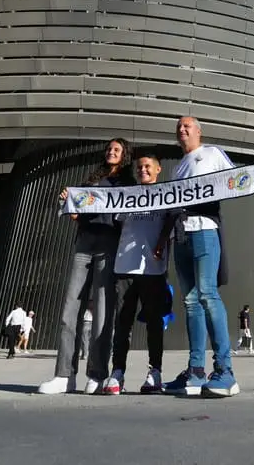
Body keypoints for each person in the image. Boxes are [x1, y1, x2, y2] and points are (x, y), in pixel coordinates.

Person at [163, 116, 254, 399]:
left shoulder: (211, 153)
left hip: (205, 231)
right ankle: (196, 371)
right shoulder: (176, 169)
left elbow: (237, 178)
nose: (181, 129)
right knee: (189, 301)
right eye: (178, 127)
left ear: (198, 131)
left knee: (207, 294)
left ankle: (225, 371)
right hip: (181, 236)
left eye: (187, 125)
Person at [39, 138, 131, 395]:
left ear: (124, 155)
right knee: (70, 309)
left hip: (109, 245)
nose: (111, 152)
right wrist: (66, 202)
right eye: (109, 149)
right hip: (84, 244)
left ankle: (98, 373)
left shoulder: (126, 183)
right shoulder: (92, 180)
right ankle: (64, 375)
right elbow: (77, 214)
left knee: (103, 311)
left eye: (117, 150)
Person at [101, 151, 174, 395]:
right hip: (125, 267)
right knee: (122, 323)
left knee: (154, 322)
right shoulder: (128, 195)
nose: (143, 170)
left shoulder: (168, 195)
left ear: (158, 169)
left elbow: (171, 225)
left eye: (147, 166)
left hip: (153, 269)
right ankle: (117, 372)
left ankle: (155, 372)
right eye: (139, 167)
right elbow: (113, 216)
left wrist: (162, 242)